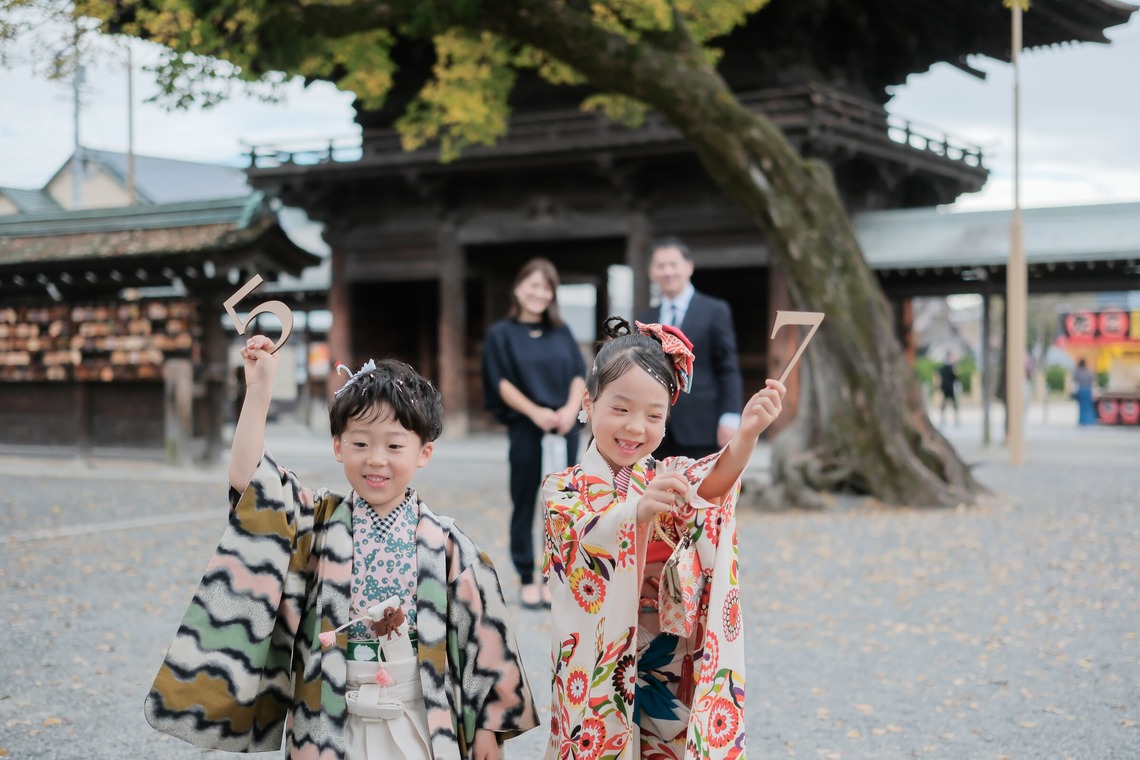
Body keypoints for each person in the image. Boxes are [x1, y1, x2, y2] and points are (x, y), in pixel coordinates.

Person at [144, 335, 538, 760]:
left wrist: (486, 729)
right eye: (361, 443)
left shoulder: (448, 544)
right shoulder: (316, 521)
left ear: (423, 453)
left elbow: (483, 639)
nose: (376, 460)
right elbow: (250, 481)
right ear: (338, 447)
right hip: (327, 714)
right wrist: (258, 392)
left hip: (418, 713)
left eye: (394, 445)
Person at [541, 316, 785, 758]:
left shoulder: (665, 476)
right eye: (620, 408)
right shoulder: (563, 488)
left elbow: (708, 492)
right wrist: (635, 512)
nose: (636, 427)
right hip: (594, 664)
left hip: (665, 660)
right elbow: (582, 544)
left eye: (654, 415)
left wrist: (746, 436)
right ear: (588, 401)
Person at [483, 258, 587, 610]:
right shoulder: (501, 334)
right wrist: (535, 412)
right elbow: (500, 382)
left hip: (563, 428)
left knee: (559, 504)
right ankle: (527, 576)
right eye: (533, 285)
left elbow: (578, 374)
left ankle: (552, 577)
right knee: (525, 501)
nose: (538, 293)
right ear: (518, 288)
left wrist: (570, 411)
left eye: (546, 287)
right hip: (527, 429)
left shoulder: (562, 332)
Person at [636, 237, 744, 460]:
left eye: (673, 264)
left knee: (700, 492)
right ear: (651, 272)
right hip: (656, 425)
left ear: (689, 267)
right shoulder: (646, 318)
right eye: (660, 266)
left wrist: (730, 416)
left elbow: (728, 367)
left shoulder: (715, 311)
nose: (667, 272)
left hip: (703, 423)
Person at [1073, 357, 1097, 426]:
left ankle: (1082, 421)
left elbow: (1074, 381)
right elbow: (1093, 382)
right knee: (1089, 407)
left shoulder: (1077, 371)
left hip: (1081, 390)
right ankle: (1090, 421)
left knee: (1081, 408)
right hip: (1088, 391)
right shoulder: (1089, 371)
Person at [939, 352, 959, 426]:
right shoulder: (950, 368)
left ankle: (955, 420)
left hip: (948, 388)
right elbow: (955, 378)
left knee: (952, 404)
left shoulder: (945, 367)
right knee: (946, 404)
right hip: (948, 388)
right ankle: (944, 420)